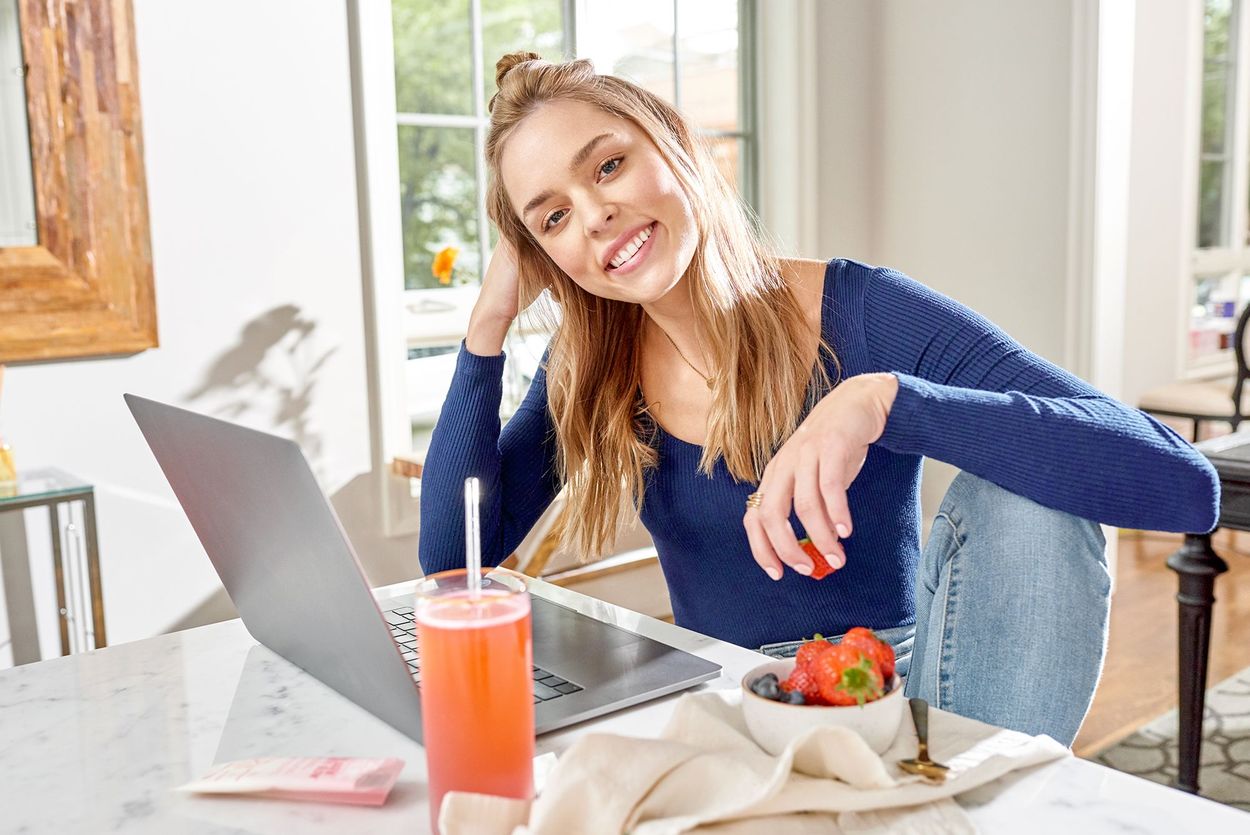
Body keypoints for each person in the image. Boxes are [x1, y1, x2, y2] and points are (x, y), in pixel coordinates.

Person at [418, 52, 1219, 746]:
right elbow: (454, 559)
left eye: (608, 166)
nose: (595, 215)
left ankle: (957, 799)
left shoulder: (862, 311)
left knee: (1032, 493)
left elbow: (1184, 483)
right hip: (736, 707)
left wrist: (885, 401)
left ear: (675, 144)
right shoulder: (588, 367)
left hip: (913, 691)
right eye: (553, 217)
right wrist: (486, 326)